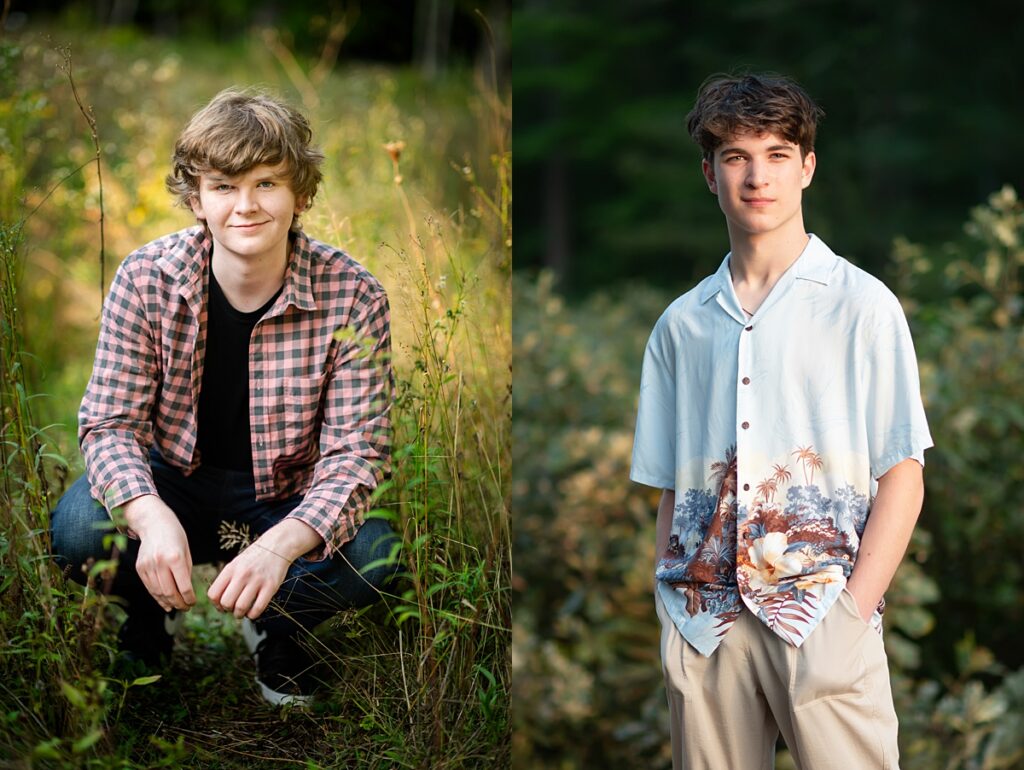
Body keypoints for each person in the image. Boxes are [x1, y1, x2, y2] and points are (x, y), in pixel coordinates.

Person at [50, 87, 400, 707]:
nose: (246, 206)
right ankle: (146, 624)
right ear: (196, 198)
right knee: (79, 529)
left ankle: (277, 622)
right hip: (174, 482)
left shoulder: (353, 293)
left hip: (284, 496)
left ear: (300, 193)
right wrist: (151, 517)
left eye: (267, 183)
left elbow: (358, 454)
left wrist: (278, 547)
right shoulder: (147, 277)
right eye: (223, 187)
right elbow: (109, 425)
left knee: (377, 554)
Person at [630, 73, 933, 769]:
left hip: (822, 612)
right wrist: (669, 614)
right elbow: (673, 491)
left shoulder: (862, 306)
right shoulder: (681, 326)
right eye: (736, 157)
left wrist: (852, 616)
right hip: (704, 628)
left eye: (774, 153)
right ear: (709, 174)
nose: (756, 175)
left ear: (807, 167)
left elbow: (903, 474)